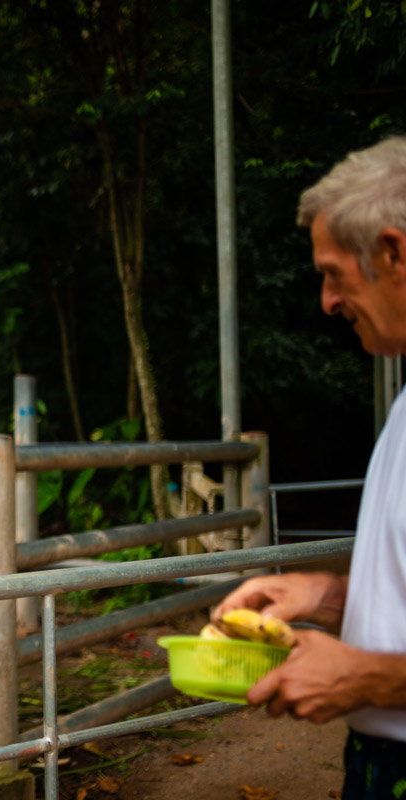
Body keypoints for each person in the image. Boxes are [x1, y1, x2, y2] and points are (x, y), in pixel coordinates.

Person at [213, 135, 406, 799]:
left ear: (394, 252)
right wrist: (326, 597)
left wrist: (374, 679)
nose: (326, 301)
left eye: (333, 273)